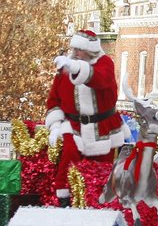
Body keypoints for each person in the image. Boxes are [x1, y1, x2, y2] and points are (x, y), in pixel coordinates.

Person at [45, 30, 129, 207]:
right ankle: (63, 199)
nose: (75, 53)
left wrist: (75, 68)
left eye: (79, 49)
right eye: (73, 49)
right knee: (68, 161)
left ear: (89, 50)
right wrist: (55, 125)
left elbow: (99, 78)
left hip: (103, 127)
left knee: (101, 171)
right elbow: (54, 100)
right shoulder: (65, 70)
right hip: (74, 126)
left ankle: (98, 204)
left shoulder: (105, 63)